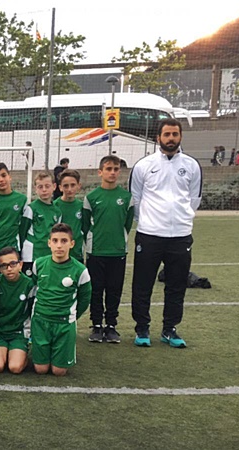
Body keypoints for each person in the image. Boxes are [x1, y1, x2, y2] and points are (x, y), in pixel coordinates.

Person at [129, 118, 202, 348]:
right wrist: (149, 222)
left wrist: (181, 219)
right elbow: (135, 198)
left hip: (180, 235)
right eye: (167, 134)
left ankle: (170, 329)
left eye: (175, 134)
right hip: (149, 234)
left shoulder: (192, 165)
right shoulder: (144, 165)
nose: (171, 138)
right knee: (143, 284)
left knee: (176, 285)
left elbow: (194, 199)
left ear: (180, 137)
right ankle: (142, 328)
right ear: (158, 137)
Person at [82, 155, 134, 344]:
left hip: (117, 252)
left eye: (115, 169)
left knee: (114, 290)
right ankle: (96, 325)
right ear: (100, 172)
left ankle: (111, 326)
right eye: (108, 169)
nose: (112, 172)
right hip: (96, 252)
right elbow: (85, 225)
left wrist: (118, 240)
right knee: (96, 290)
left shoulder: (126, 198)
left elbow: (127, 224)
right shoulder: (91, 197)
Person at [31, 223, 91, 376]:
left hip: (64, 324)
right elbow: (34, 286)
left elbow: (85, 298)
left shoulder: (80, 270)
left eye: (64, 241)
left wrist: (72, 315)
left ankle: (61, 354)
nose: (59, 245)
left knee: (59, 371)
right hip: (40, 321)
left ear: (72, 244)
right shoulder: (39, 264)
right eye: (55, 241)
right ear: (49, 243)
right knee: (40, 369)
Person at [0, 247, 34, 374]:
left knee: (15, 367)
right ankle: (2, 352)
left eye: (13, 264)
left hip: (18, 333)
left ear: (20, 264)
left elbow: (33, 311)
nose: (9, 269)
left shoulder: (29, 284)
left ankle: (21, 354)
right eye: (4, 266)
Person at [19, 171, 61, 276]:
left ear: (54, 186)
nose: (44, 190)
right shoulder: (31, 208)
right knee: (30, 283)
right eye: (40, 187)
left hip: (48, 254)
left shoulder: (57, 211)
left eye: (47, 186)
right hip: (32, 255)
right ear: (35, 189)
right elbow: (22, 231)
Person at [54, 169, 84, 262]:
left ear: (79, 186)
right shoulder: (54, 206)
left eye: (73, 185)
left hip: (76, 254)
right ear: (60, 187)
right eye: (66, 186)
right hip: (58, 254)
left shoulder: (82, 206)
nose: (69, 189)